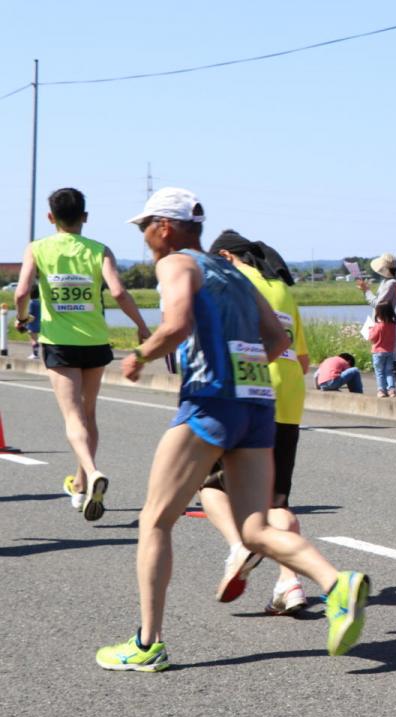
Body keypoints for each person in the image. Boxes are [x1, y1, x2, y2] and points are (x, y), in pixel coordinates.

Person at [95, 187, 368, 671]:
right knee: (255, 527)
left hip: (210, 401)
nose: (145, 239)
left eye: (145, 228)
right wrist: (244, 375)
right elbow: (279, 339)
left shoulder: (177, 264)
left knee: (154, 520)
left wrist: (139, 355)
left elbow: (177, 324)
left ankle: (146, 643)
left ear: (164, 226)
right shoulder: (239, 275)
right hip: (258, 405)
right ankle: (335, 584)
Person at [14, 187, 151, 520]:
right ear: (85, 217)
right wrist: (143, 327)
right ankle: (79, 484)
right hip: (95, 341)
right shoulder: (99, 250)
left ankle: (91, 472)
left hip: (59, 341)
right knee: (89, 414)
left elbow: (21, 292)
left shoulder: (37, 248)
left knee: (73, 416)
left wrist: (22, 319)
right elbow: (118, 291)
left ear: (51, 217)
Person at [199, 230, 314, 615]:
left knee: (209, 484)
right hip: (290, 399)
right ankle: (289, 583)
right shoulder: (282, 288)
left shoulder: (232, 279)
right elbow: (301, 359)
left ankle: (239, 547)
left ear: (227, 257)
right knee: (275, 501)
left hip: (251, 393)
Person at [358, 252, 396, 397]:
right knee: (391, 364)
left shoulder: (390, 284)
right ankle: (393, 390)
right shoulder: (388, 282)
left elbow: (378, 304)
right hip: (388, 326)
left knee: (387, 366)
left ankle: (389, 390)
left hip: (384, 325)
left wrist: (366, 291)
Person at [369, 303, 396, 398]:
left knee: (379, 372)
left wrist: (370, 329)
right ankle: (392, 390)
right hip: (390, 352)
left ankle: (381, 390)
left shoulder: (378, 326)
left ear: (379, 314)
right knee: (389, 372)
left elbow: (372, 338)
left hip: (378, 352)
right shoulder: (394, 325)